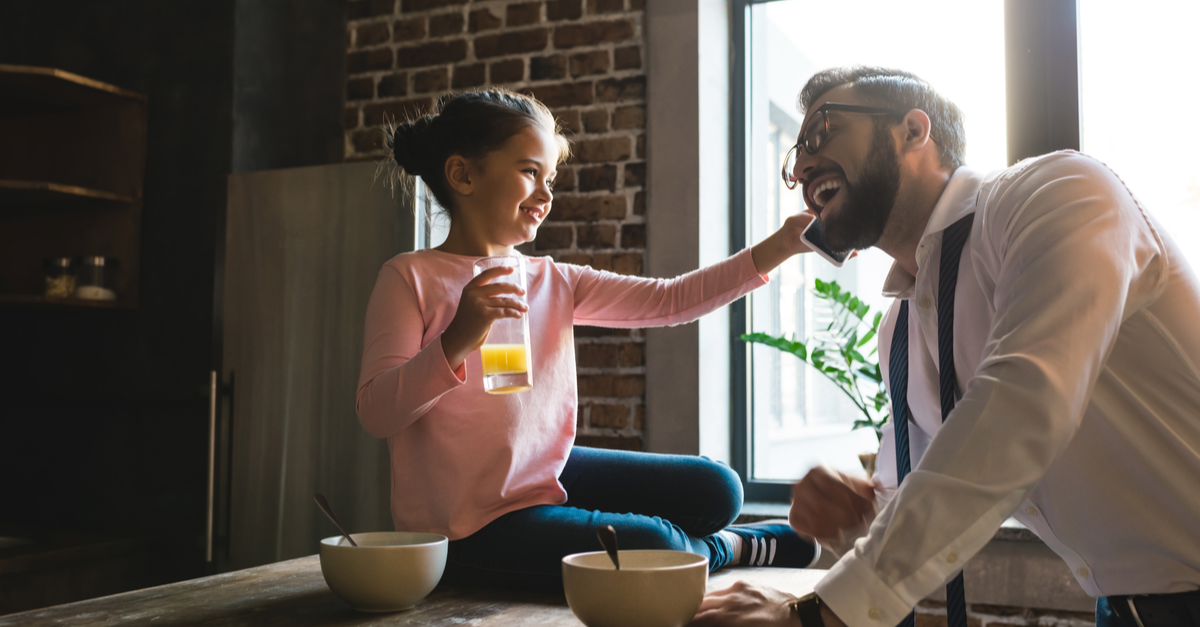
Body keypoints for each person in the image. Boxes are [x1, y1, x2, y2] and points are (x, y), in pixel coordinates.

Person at [690, 67, 1200, 627]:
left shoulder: (1059, 194)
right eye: (795, 159)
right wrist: (856, 506)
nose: (803, 166)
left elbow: (1022, 404)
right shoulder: (901, 329)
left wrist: (818, 614)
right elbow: (913, 489)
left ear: (913, 130)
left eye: (821, 132)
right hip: (1127, 610)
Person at [355, 87, 820, 590]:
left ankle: (707, 542)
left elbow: (670, 300)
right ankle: (726, 547)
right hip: (468, 530)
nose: (546, 193)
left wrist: (782, 244)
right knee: (656, 545)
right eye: (530, 172)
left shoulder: (554, 280)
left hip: (543, 474)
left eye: (550, 178)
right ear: (463, 174)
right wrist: (457, 339)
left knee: (719, 490)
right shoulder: (409, 277)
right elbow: (377, 412)